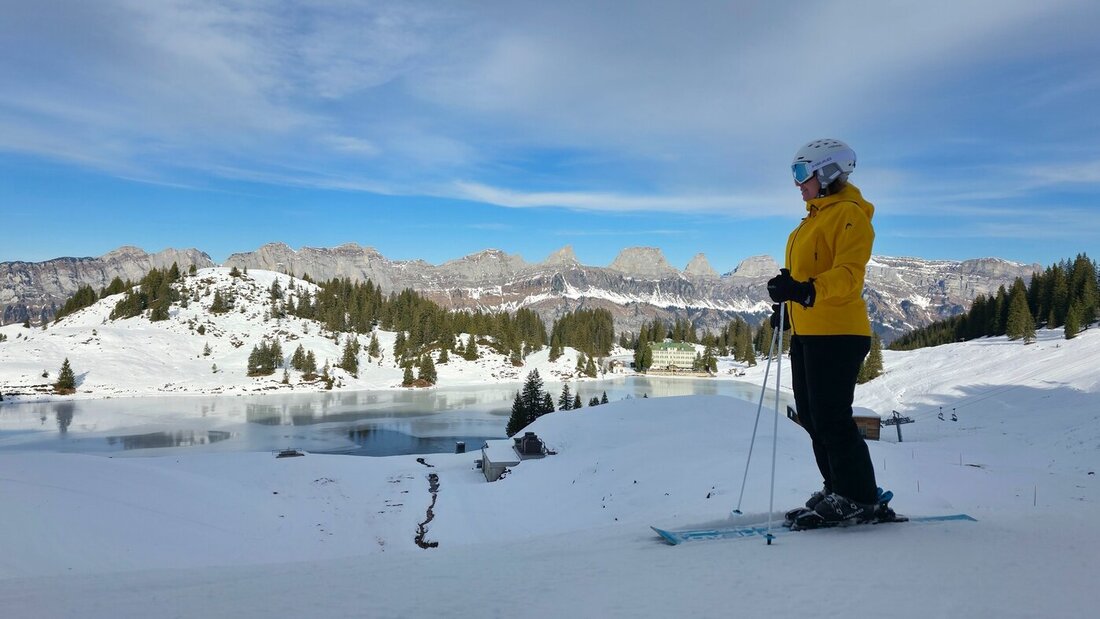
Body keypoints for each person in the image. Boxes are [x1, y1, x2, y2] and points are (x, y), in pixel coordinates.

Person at [767, 138, 879, 527]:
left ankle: (859, 498)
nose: (797, 184)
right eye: (794, 175)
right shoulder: (814, 217)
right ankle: (838, 489)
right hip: (809, 333)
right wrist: (789, 304)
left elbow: (849, 276)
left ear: (827, 171)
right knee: (813, 417)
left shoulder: (849, 215)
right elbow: (804, 275)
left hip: (840, 333)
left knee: (833, 417)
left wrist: (805, 291)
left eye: (802, 174)